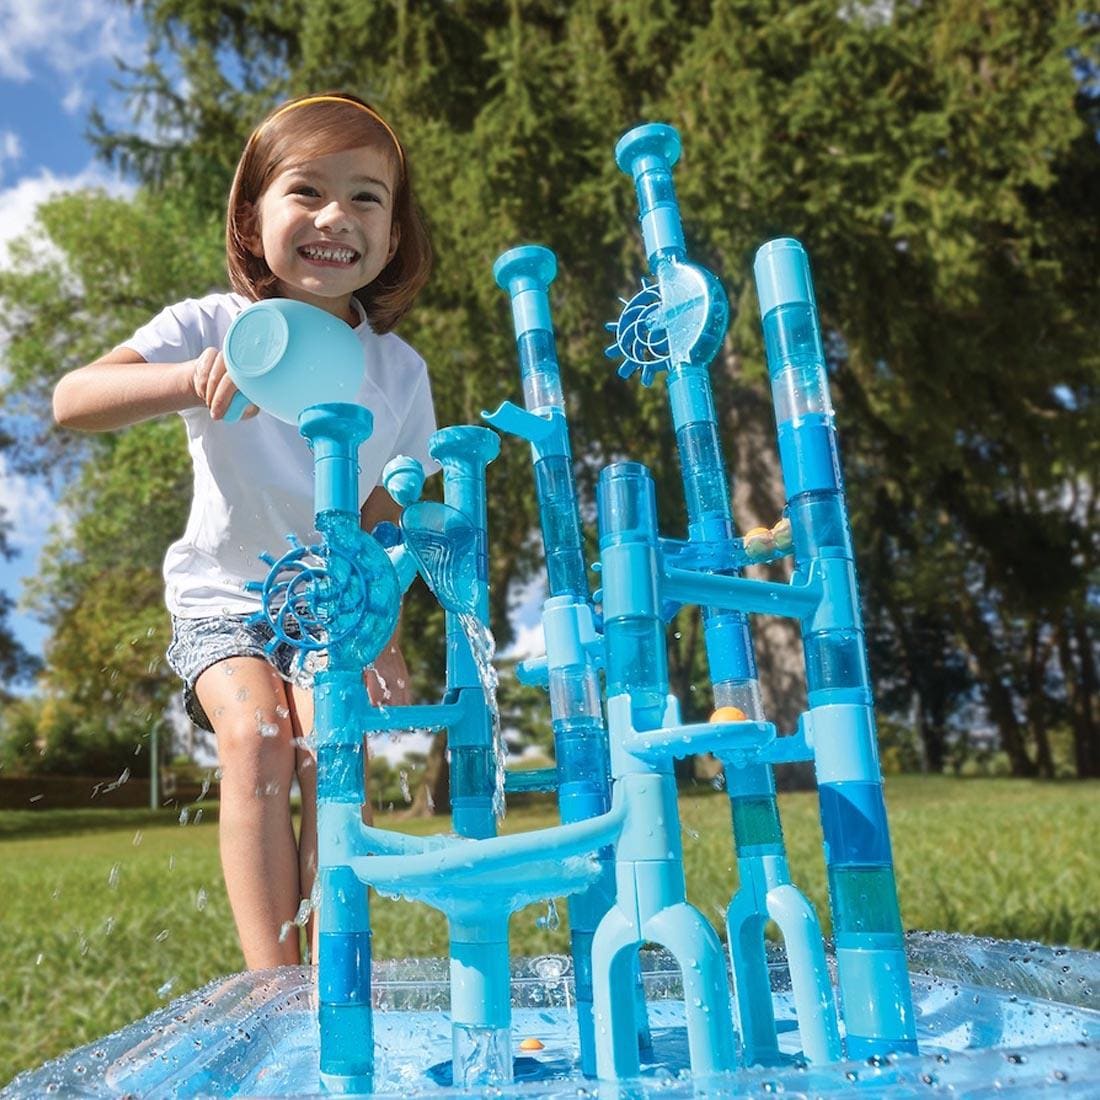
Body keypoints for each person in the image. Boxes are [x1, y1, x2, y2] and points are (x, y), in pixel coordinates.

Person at [52, 92, 436, 968]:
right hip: (223, 599)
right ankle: (273, 991)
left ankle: (334, 976)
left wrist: (382, 626)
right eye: (305, 191)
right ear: (251, 214)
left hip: (335, 605)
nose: (335, 216)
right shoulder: (213, 325)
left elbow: (384, 516)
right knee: (257, 734)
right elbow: (73, 399)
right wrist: (189, 378)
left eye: (366, 198)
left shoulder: (398, 372)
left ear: (393, 232)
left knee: (327, 747)